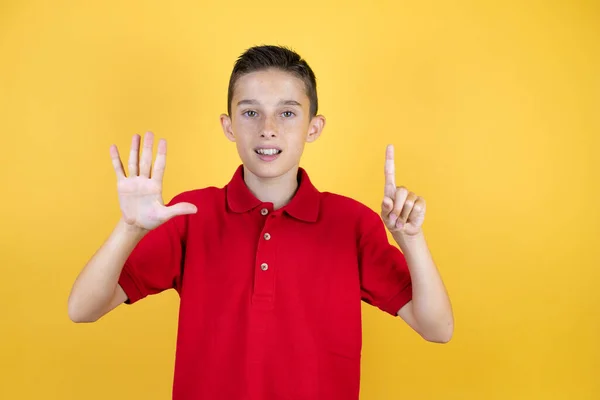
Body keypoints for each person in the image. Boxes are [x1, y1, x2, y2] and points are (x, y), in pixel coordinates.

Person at [68, 45, 454, 400]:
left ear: (313, 127)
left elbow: (437, 329)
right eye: (251, 112)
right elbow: (82, 309)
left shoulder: (352, 224)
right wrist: (130, 229)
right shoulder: (189, 215)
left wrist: (412, 240)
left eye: (287, 113)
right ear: (229, 125)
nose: (268, 128)